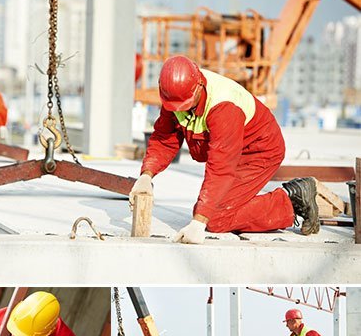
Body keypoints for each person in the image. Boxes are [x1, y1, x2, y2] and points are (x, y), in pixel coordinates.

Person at [129, 55, 320, 243]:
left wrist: (199, 222)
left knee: (215, 218)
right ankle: (277, 200)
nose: (179, 110)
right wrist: (146, 175)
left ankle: (293, 200)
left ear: (199, 87)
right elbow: (164, 139)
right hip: (234, 149)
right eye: (174, 107)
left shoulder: (223, 107)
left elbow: (220, 168)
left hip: (259, 151)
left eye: (184, 105)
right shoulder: (177, 94)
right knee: (211, 210)